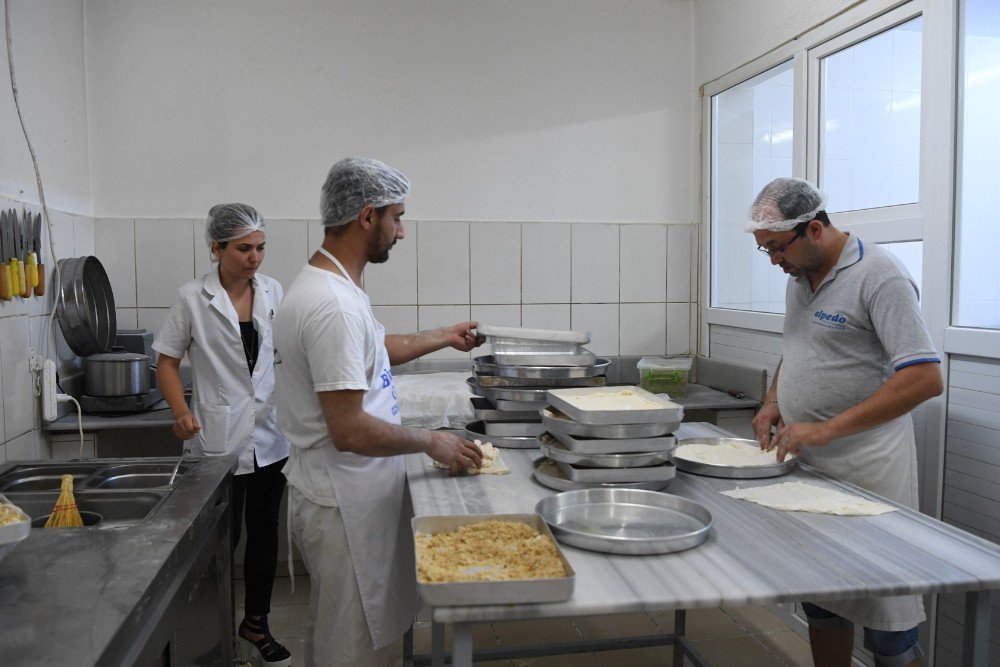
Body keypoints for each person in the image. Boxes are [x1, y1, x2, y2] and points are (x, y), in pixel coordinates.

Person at [272, 157, 485, 666]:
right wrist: (433, 441)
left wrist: (440, 337)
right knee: (353, 649)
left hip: (344, 491)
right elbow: (348, 429)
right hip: (344, 498)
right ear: (367, 216)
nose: (402, 231)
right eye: (397, 216)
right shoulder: (333, 306)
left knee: (346, 636)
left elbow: (370, 351)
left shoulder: (331, 287)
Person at [747, 177, 943, 667]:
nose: (774, 261)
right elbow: (797, 352)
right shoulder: (799, 279)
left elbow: (924, 378)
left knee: (887, 623)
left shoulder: (880, 276)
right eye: (765, 251)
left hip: (870, 469)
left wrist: (829, 427)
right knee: (823, 604)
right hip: (812, 467)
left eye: (776, 248)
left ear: (813, 229)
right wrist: (774, 400)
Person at [154, 203, 292, 667]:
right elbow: (167, 362)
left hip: (271, 438)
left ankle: (256, 623)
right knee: (220, 540)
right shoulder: (193, 297)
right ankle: (211, 635)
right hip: (217, 439)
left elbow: (289, 354)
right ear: (216, 247)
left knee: (265, 533)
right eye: (243, 248)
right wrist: (179, 411)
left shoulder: (272, 290)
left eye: (260, 247)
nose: (255, 258)